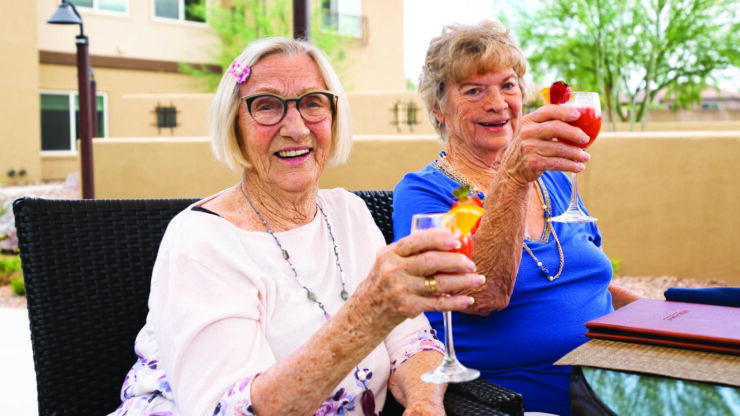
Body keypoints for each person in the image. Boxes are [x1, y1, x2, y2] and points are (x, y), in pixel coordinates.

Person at [110, 37, 486, 416]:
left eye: (312, 103)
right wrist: (367, 315)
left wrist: (423, 403)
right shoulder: (202, 243)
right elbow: (231, 409)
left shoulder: (348, 212)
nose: (295, 127)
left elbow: (412, 343)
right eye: (267, 106)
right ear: (234, 124)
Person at [392, 20, 641, 415]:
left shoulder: (554, 178)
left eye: (508, 85)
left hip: (618, 375)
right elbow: (484, 297)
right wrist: (512, 177)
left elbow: (593, 282)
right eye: (474, 90)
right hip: (533, 396)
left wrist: (663, 322)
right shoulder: (425, 193)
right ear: (439, 109)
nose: (498, 103)